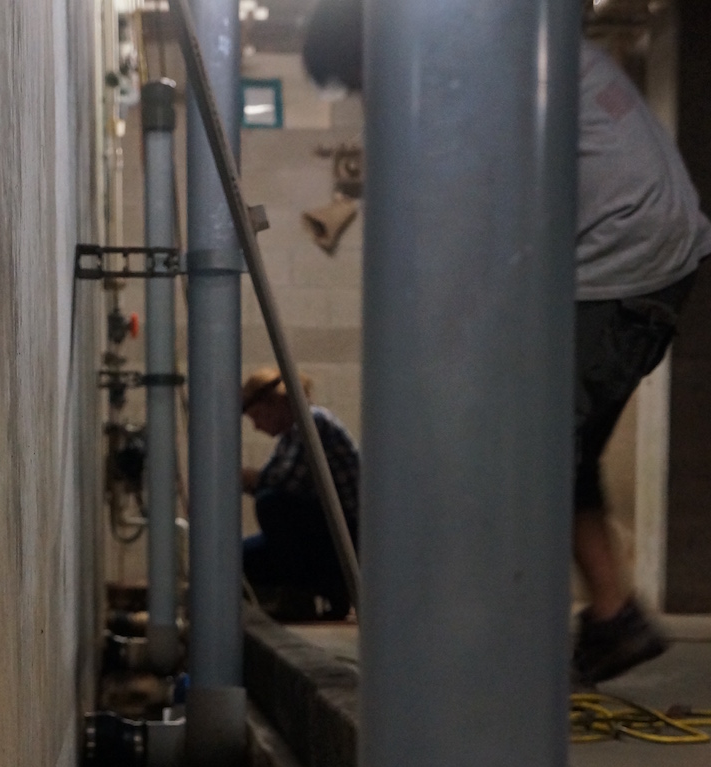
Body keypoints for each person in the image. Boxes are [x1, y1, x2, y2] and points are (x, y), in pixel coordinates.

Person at [303, 0, 711, 684]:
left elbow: (464, 221)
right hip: (648, 260)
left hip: (619, 259)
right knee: (556, 450)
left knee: (521, 449)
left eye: (362, 83)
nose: (371, 98)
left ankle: (494, 647)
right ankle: (614, 618)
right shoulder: (500, 54)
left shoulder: (474, 67)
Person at [241, 367, 360, 622]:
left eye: (259, 416)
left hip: (348, 536)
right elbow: (273, 479)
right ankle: (307, 588)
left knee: (271, 504)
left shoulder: (313, 422)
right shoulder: (290, 437)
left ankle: (311, 591)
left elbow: (282, 485)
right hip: (324, 533)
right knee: (239, 559)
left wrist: (245, 478)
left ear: (279, 404)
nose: (257, 427)